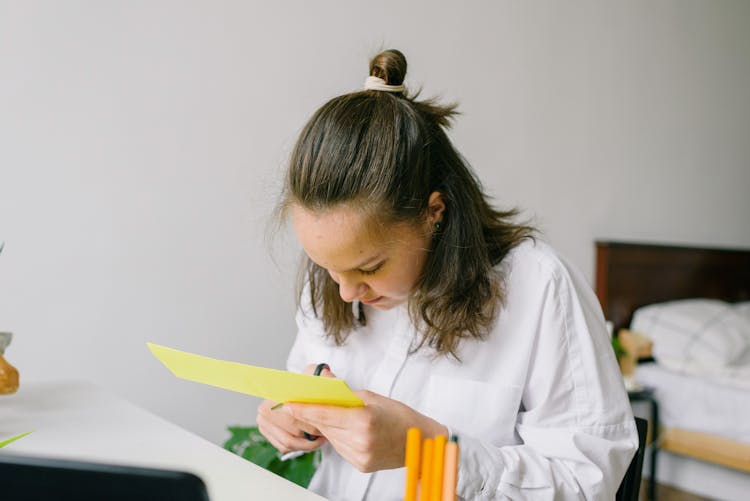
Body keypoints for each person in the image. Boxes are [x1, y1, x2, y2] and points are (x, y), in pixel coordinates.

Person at [257, 49, 637, 500]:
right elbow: (304, 389)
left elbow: (587, 482)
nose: (345, 293)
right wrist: (287, 418)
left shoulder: (540, 289)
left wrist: (431, 448)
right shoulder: (336, 280)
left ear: (433, 213)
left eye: (370, 267)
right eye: (327, 268)